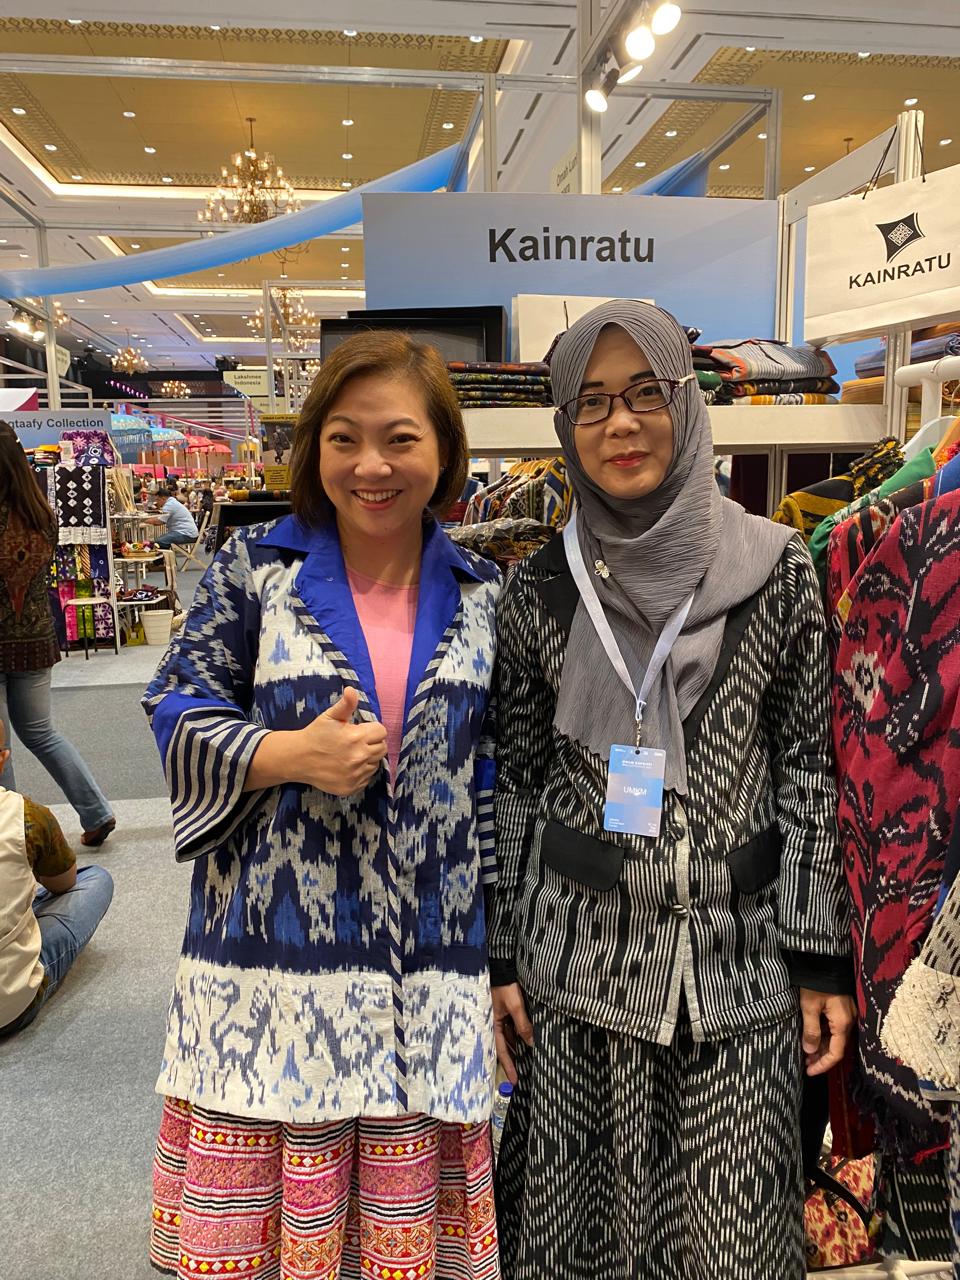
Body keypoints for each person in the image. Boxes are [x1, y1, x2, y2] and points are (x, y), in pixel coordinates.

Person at [488, 302, 855, 1280]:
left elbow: (809, 773)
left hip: (737, 973)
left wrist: (820, 957)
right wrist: (499, 957)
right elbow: (515, 787)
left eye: (646, 393)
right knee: (582, 1248)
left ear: (687, 405)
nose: (621, 424)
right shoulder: (539, 592)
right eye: (592, 402)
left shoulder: (777, 571)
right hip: (580, 977)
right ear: (565, 425)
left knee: (730, 1248)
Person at [143, 331, 502, 1279]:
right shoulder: (255, 572)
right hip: (276, 966)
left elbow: (492, 781)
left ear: (443, 453)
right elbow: (173, 705)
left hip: (429, 968)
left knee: (402, 1245)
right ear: (315, 451)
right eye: (344, 439)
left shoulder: (482, 593)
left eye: (399, 439)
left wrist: (499, 955)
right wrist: (282, 753)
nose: (371, 465)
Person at [0, 421, 116, 847]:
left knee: (0, 746)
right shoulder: (40, 513)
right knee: (41, 731)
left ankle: (9, 838)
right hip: (35, 639)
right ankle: (95, 810)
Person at [0, 717, 114, 1036]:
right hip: (10, 1006)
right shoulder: (27, 815)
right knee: (95, 880)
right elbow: (63, 884)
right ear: (3, 757)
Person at [152, 480, 199, 549]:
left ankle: (167, 558)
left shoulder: (169, 505)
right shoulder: (172, 502)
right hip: (188, 532)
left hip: (186, 534)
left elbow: (159, 522)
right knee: (159, 541)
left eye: (157, 500)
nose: (157, 502)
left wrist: (145, 520)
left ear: (163, 498)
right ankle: (168, 558)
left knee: (159, 542)